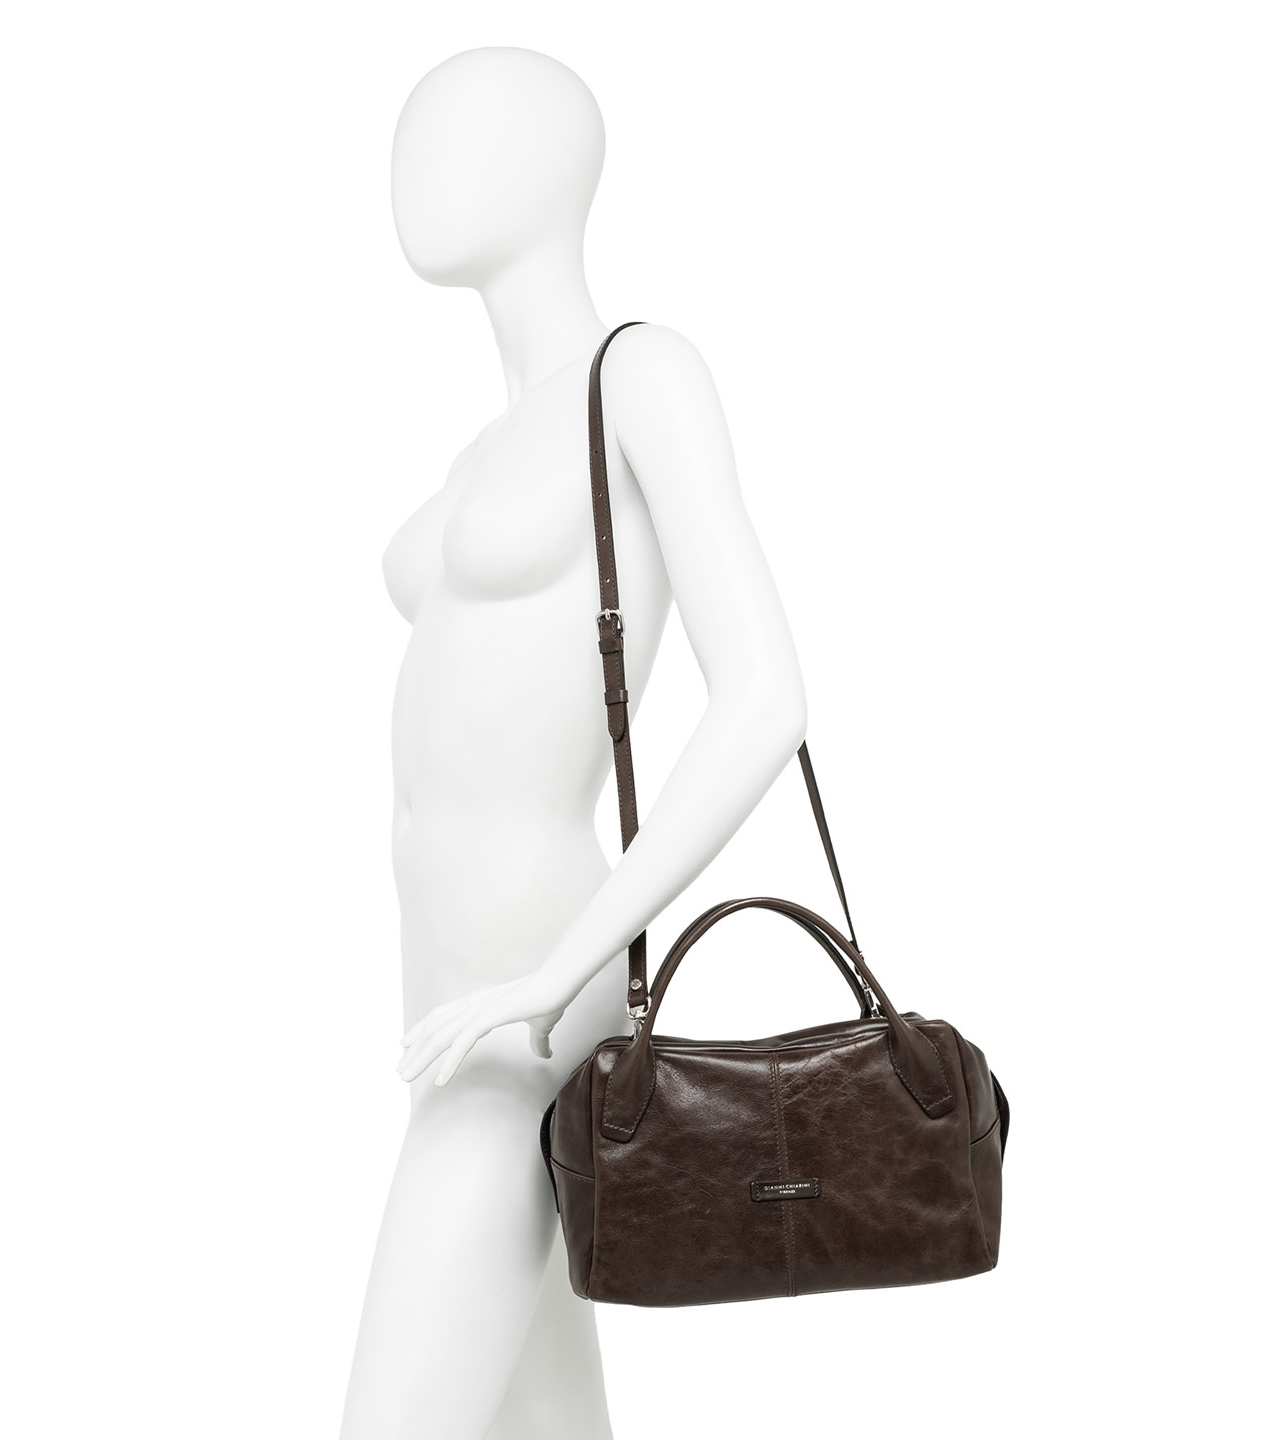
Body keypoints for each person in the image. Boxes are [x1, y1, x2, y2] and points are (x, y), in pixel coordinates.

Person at [339, 46, 808, 1440]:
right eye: (408, 135)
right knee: (542, 1418)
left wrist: (557, 971)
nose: (415, 167)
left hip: (531, 983)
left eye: (462, 133)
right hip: (450, 983)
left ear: (560, 167)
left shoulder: (641, 374)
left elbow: (765, 697)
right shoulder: (488, 443)